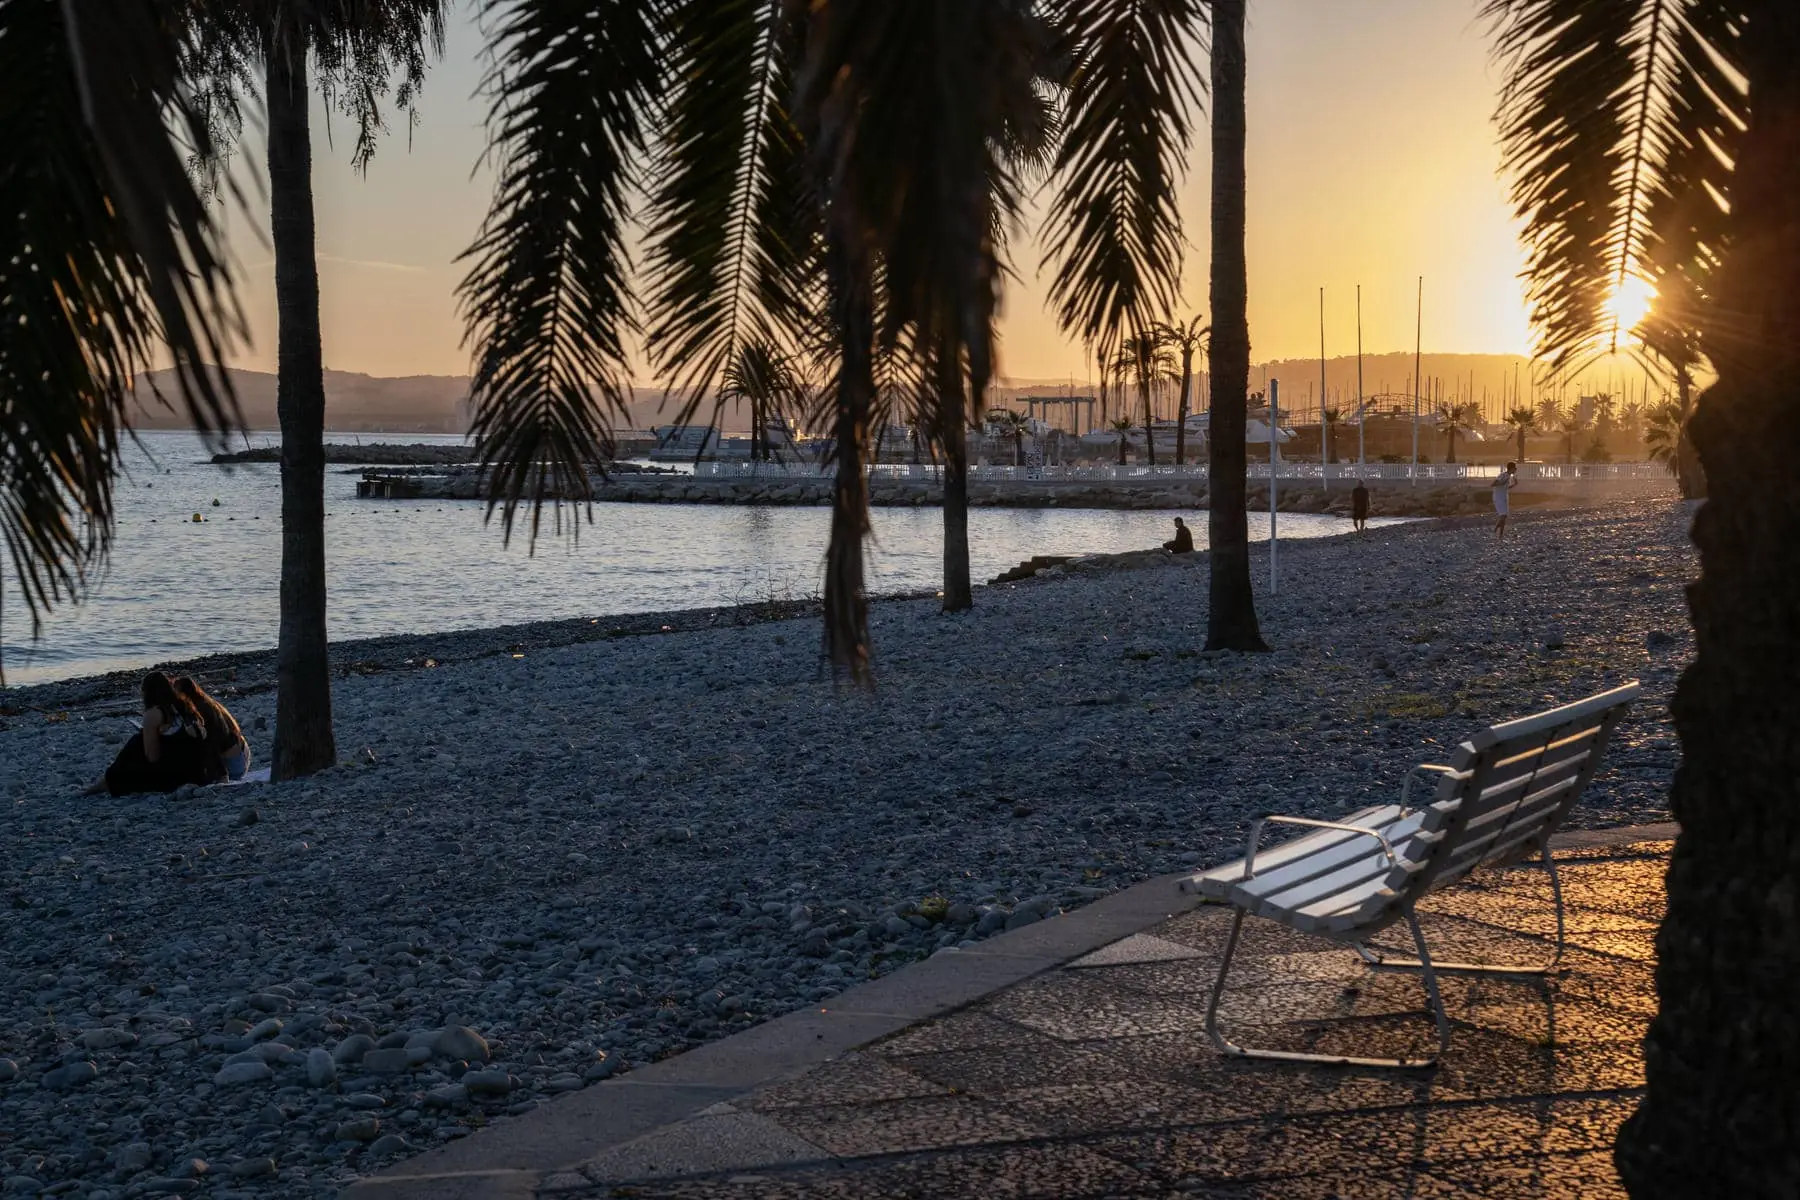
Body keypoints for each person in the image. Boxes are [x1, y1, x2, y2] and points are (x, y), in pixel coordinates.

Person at [84, 672, 219, 795]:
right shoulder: (185, 706)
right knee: (138, 742)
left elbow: (152, 757)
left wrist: (146, 737)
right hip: (199, 771)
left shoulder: (154, 714)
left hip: (177, 774)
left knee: (135, 743)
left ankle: (105, 783)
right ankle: (104, 782)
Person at [176, 676, 251, 781]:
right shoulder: (207, 702)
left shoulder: (200, 711)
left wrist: (221, 775)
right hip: (242, 754)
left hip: (234, 766)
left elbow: (211, 744)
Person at [1493, 461, 1519, 540]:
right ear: (1512, 468)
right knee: (1503, 515)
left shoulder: (1508, 476)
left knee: (1504, 516)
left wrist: (1515, 484)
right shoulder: (1503, 475)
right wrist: (1503, 482)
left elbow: (1506, 487)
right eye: (1515, 468)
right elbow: (1494, 484)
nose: (1516, 470)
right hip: (1498, 497)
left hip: (1504, 497)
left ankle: (1500, 534)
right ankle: (1495, 530)